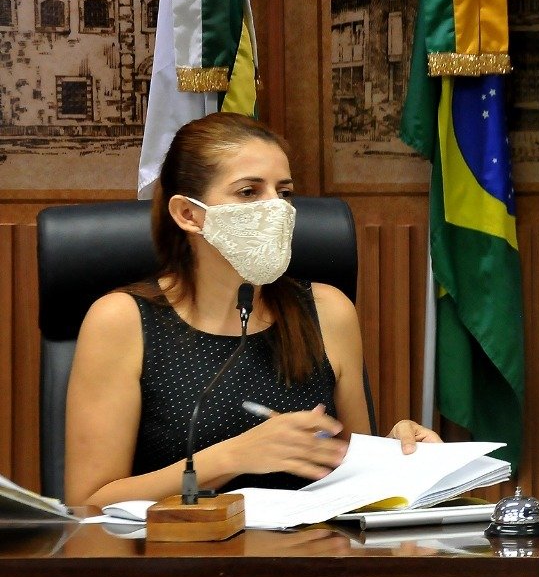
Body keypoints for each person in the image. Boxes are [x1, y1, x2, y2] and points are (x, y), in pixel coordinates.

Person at [64, 113, 439, 507]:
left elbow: (352, 470)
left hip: (311, 542)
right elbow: (88, 502)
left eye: (284, 192)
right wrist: (232, 457)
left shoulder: (328, 310)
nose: (275, 208)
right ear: (188, 214)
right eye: (248, 192)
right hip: (179, 544)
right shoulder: (121, 320)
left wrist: (396, 453)